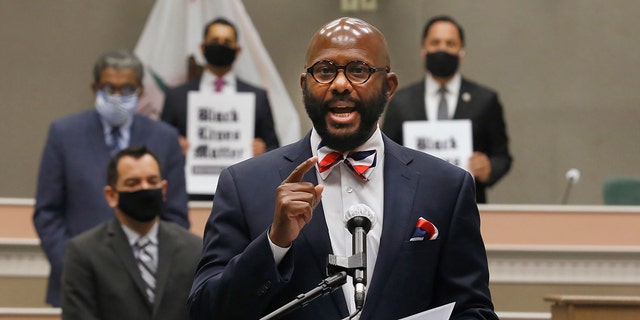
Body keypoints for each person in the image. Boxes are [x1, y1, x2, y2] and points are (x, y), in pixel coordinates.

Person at [189, 17, 498, 320]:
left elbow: (474, 311)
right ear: (304, 85)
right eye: (324, 71)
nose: (339, 84)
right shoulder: (244, 185)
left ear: (389, 86)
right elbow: (206, 310)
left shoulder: (445, 186)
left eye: (358, 70)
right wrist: (274, 243)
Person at [33, 50, 189, 307]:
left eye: (126, 88)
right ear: (95, 88)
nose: (117, 96)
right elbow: (47, 213)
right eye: (109, 87)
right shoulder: (63, 134)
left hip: (151, 283)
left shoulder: (165, 138)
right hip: (80, 282)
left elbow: (176, 214)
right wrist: (74, 264)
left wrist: (154, 269)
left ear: (139, 91)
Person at [381, 15, 512, 203]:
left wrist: (489, 167)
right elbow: (387, 154)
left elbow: (502, 156)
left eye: (450, 43)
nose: (442, 49)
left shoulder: (485, 100)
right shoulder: (401, 101)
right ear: (423, 50)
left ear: (462, 52)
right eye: (435, 43)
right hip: (413, 204)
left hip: (467, 203)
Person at [61, 146, 202, 320]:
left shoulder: (195, 249)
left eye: (152, 181)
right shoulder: (84, 252)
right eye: (133, 183)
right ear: (111, 195)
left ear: (163, 189)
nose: (145, 188)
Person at [161, 17, 280, 157]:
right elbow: (160, 143)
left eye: (227, 42)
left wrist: (263, 150)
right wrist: (173, 144)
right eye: (214, 41)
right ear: (203, 48)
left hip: (242, 176)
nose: (221, 46)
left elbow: (274, 146)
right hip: (190, 176)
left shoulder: (258, 97)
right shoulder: (176, 97)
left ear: (238, 50)